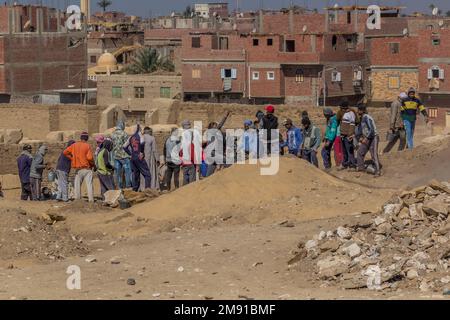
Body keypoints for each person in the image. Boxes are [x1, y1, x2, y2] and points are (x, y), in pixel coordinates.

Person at [64, 132, 95, 203]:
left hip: (78, 170)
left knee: (77, 185)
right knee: (89, 185)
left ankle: (77, 200)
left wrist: (72, 158)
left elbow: (65, 152)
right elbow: (89, 158)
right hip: (87, 168)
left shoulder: (74, 145)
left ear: (81, 138)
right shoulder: (87, 146)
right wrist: (93, 165)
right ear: (86, 138)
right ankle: (91, 200)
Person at [124, 124, 152, 192]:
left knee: (135, 175)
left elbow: (124, 147)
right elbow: (142, 143)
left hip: (133, 158)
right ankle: (147, 190)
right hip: (139, 157)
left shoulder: (130, 137)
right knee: (147, 174)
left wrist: (130, 154)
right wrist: (141, 152)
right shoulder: (139, 135)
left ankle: (135, 190)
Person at [356, 104, 381, 176]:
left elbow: (372, 130)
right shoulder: (362, 118)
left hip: (373, 137)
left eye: (358, 110)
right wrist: (360, 137)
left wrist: (366, 138)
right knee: (360, 152)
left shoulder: (367, 117)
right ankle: (361, 168)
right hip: (366, 138)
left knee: (374, 154)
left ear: (362, 110)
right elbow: (360, 130)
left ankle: (377, 170)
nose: (357, 112)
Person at [337, 100, 358, 170]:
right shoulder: (345, 113)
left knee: (350, 151)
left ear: (345, 108)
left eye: (342, 108)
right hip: (343, 135)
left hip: (348, 136)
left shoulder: (351, 113)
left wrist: (350, 135)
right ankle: (345, 164)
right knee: (344, 151)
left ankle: (352, 165)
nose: (341, 109)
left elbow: (352, 125)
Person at [111, 120, 132, 189]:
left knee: (118, 173)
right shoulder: (124, 134)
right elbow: (127, 145)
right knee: (127, 171)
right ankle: (128, 186)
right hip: (124, 156)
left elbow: (112, 146)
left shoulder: (112, 134)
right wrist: (130, 154)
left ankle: (119, 187)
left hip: (116, 156)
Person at [179, 120, 199, 186]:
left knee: (185, 177)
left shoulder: (182, 141)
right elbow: (192, 154)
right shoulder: (190, 143)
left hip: (184, 162)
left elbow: (180, 153)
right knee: (192, 178)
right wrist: (196, 163)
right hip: (190, 162)